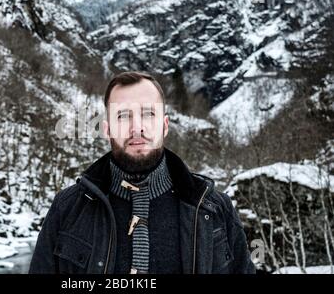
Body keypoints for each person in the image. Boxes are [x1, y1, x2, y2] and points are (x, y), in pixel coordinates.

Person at [29, 71, 255, 274]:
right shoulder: (67, 208)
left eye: (148, 114)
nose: (137, 127)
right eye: (123, 116)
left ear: (165, 126)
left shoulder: (214, 208)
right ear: (107, 129)